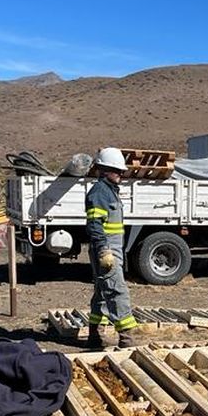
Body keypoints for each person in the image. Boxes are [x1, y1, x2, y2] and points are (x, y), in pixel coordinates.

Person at [85, 147, 139, 348]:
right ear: (104, 170)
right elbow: (94, 224)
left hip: (111, 248)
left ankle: (95, 336)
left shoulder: (109, 191)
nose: (120, 175)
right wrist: (103, 250)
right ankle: (127, 338)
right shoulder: (100, 192)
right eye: (117, 171)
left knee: (101, 293)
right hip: (106, 249)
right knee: (118, 291)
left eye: (121, 171)